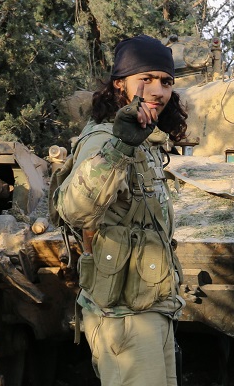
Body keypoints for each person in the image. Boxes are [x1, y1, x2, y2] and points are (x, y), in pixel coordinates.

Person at [55, 35, 189, 386]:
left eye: (166, 81)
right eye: (145, 79)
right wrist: (120, 146)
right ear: (119, 84)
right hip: (122, 317)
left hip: (150, 309)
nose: (157, 91)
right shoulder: (105, 139)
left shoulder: (145, 142)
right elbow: (75, 210)